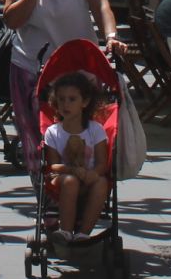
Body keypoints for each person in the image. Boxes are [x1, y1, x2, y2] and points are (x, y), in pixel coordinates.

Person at [2, 0, 125, 178]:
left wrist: (111, 36)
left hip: (76, 70)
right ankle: (46, 200)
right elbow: (11, 20)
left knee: (83, 136)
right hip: (31, 68)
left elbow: (101, 5)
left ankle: (82, 193)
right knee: (38, 140)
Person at [42, 69, 112, 242]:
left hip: (89, 177)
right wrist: (73, 170)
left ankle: (83, 234)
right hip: (61, 178)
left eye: (72, 99)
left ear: (85, 102)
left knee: (102, 182)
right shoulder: (53, 132)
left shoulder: (95, 130)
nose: (66, 105)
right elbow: (53, 166)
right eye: (61, 99)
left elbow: (102, 163)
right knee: (70, 181)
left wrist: (92, 174)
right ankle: (65, 231)